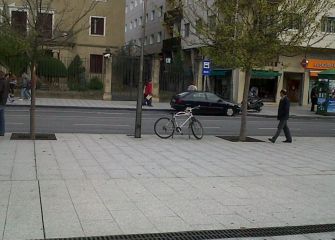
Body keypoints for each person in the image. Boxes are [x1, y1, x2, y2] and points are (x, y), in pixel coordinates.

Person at [0, 71, 10, 136]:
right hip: (3, 101)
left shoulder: (1, 81)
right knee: (1, 117)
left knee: (1, 117)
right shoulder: (6, 81)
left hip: (0, 100)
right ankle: (2, 132)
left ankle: (1, 132)